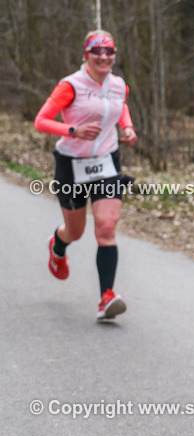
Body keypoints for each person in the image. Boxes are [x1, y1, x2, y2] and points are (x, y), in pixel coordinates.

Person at [34, 29, 138, 320]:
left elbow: (121, 108)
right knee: (76, 231)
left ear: (114, 56)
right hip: (72, 164)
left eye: (109, 51)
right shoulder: (71, 85)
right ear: (86, 55)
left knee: (106, 227)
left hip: (107, 161)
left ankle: (106, 297)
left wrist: (127, 128)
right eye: (97, 51)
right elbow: (41, 121)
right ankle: (58, 243)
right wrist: (73, 131)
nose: (103, 56)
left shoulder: (119, 85)